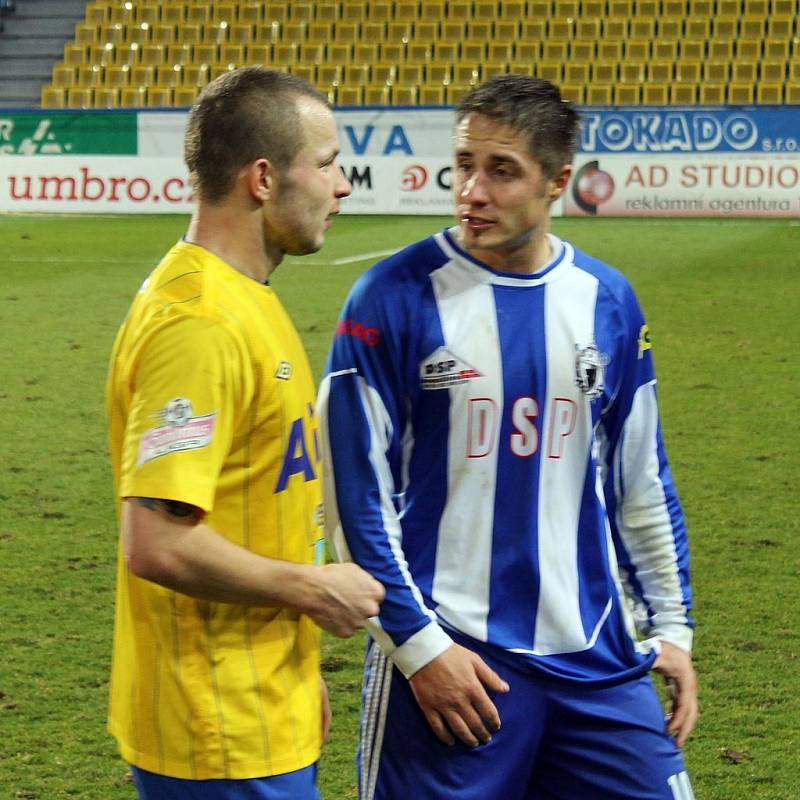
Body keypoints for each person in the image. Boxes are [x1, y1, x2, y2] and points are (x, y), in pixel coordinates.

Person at [318, 74, 698, 800]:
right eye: (463, 165)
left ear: (558, 180)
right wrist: (422, 650)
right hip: (457, 666)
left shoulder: (607, 301)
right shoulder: (390, 298)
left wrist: (672, 628)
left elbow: (638, 481)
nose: (472, 191)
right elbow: (353, 504)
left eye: (500, 171)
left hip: (598, 661)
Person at [105, 66, 384, 800]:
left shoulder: (246, 295)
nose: (343, 184)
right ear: (263, 178)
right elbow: (156, 541)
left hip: (261, 705)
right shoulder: (197, 325)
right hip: (216, 728)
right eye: (327, 164)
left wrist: (295, 673)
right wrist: (312, 591)